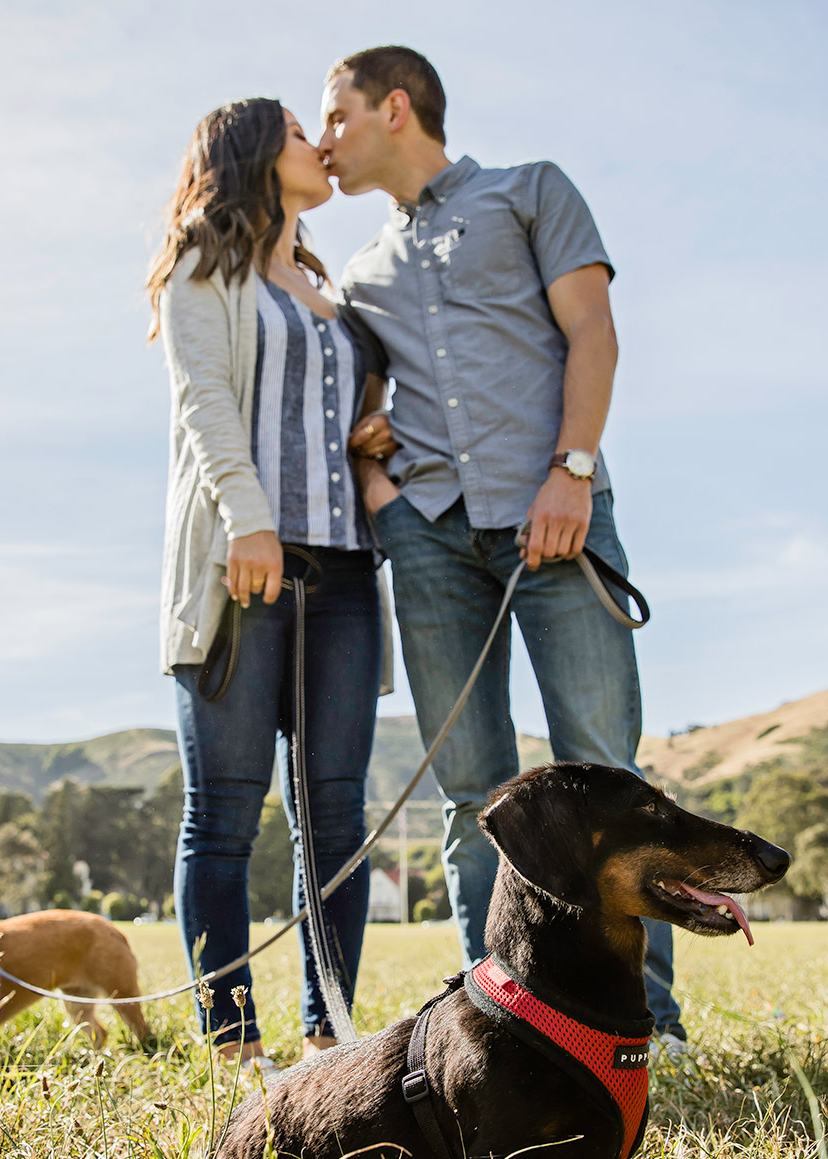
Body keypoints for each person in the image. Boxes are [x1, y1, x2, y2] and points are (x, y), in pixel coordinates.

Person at [318, 47, 689, 1049]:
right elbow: (357, 411)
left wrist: (570, 469)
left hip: (556, 522)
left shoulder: (530, 192)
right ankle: (501, 1019)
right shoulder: (359, 273)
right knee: (467, 795)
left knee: (603, 772)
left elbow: (592, 330)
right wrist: (383, 498)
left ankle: (642, 1022)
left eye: (335, 117)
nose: (323, 141)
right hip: (432, 541)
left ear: (394, 108)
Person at [148, 98, 394, 1070]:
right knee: (224, 808)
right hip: (238, 566)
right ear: (254, 151)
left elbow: (333, 418)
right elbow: (204, 402)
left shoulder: (332, 291)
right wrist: (247, 521)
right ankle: (230, 1038)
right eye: (300, 131)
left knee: (332, 814)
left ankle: (329, 1032)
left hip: (341, 577)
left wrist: (370, 433)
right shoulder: (204, 264)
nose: (318, 145)